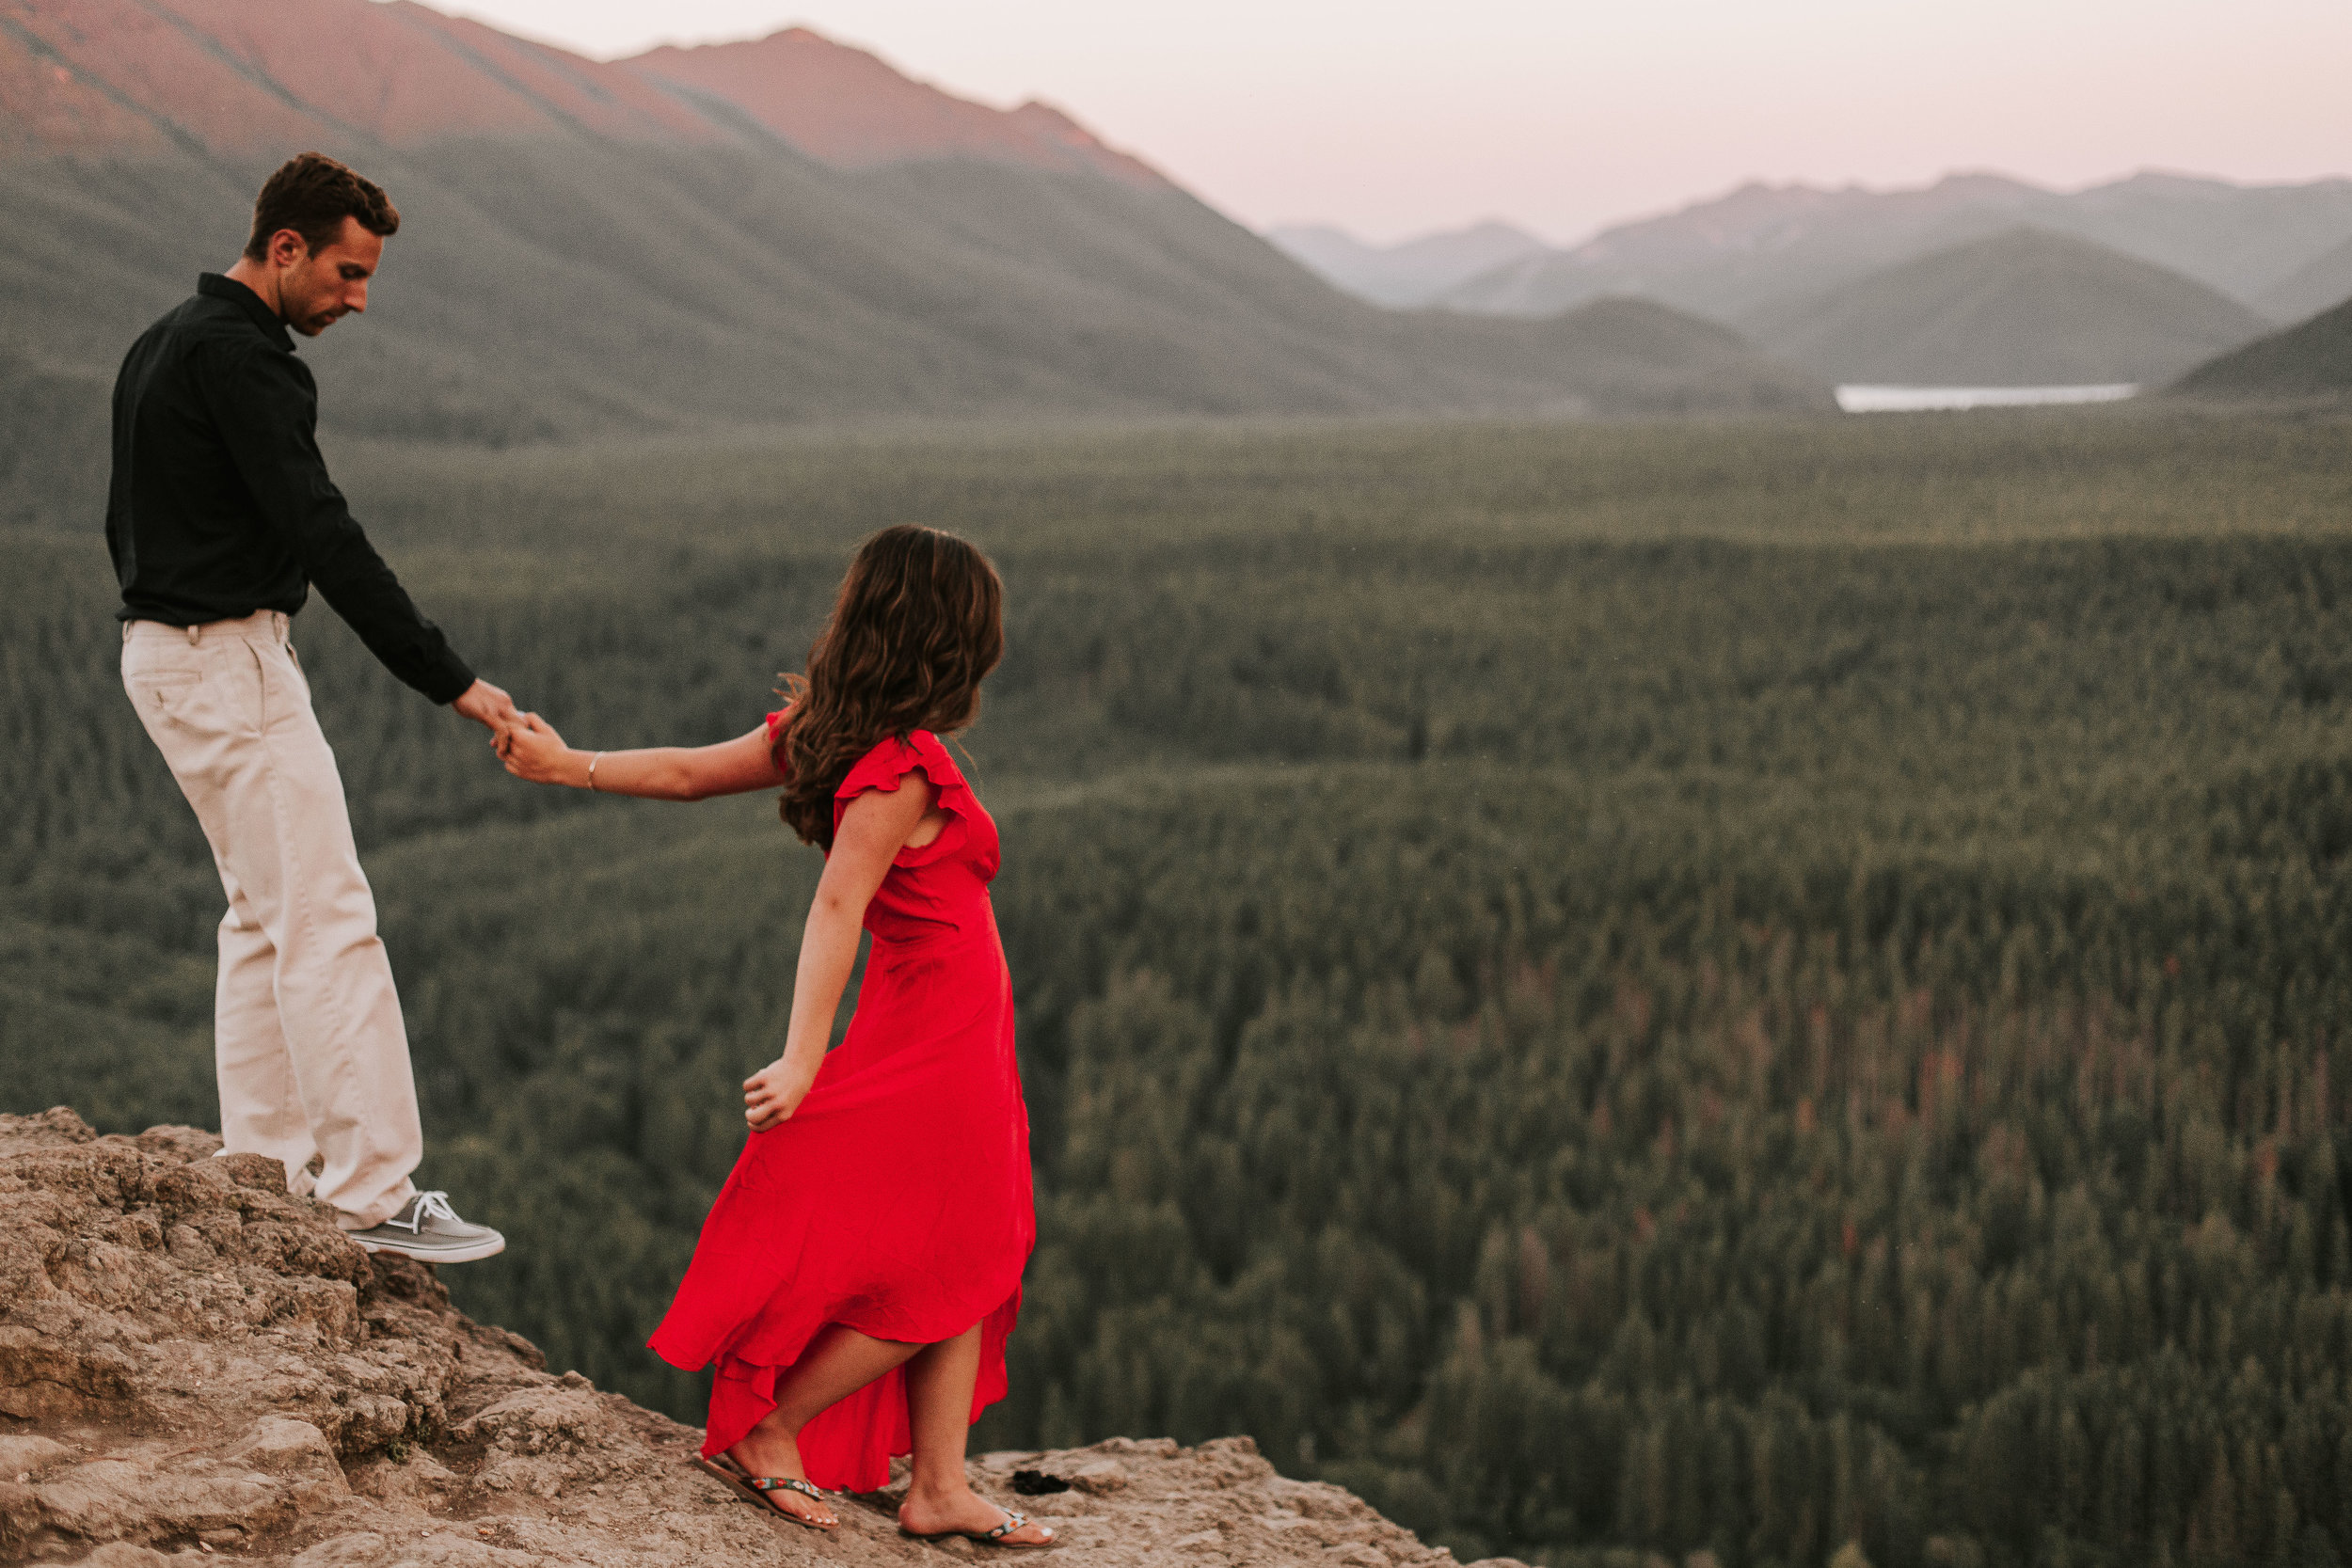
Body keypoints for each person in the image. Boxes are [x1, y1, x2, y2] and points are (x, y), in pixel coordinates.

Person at [496, 525, 1052, 1548]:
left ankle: (937, 1485)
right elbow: (836, 907)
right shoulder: (901, 770)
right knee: (958, 1252)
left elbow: (683, 773)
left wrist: (562, 763)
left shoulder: (831, 733)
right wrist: (803, 1057)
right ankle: (776, 1423)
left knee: (974, 1245)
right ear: (948, 643)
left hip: (954, 1034)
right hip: (937, 1038)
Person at [108, 151, 509, 1264]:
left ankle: (266, 1164)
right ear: (283, 248)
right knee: (328, 913)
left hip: (163, 654)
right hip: (225, 658)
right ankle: (374, 1188)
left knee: (261, 915)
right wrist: (450, 676)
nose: (358, 299)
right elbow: (323, 532)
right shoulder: (248, 361)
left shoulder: (162, 342)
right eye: (345, 271)